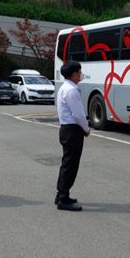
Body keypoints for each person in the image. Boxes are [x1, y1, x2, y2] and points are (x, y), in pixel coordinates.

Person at [55, 61, 90, 211]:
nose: (81, 74)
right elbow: (78, 114)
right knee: (71, 165)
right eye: (79, 72)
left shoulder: (65, 88)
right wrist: (86, 128)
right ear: (74, 74)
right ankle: (63, 199)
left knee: (66, 163)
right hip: (72, 130)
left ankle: (62, 194)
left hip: (66, 129)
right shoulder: (72, 91)